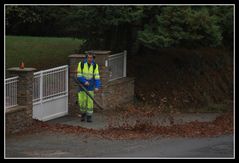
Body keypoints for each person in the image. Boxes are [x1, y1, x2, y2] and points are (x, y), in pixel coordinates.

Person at [77, 53, 101, 122]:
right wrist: (84, 81)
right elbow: (79, 75)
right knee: (82, 101)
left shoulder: (95, 66)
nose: (90, 59)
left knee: (90, 102)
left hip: (90, 86)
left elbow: (97, 77)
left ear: (93, 58)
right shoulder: (81, 64)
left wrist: (97, 86)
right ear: (86, 58)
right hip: (82, 86)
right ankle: (83, 114)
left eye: (91, 58)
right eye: (89, 58)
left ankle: (89, 116)